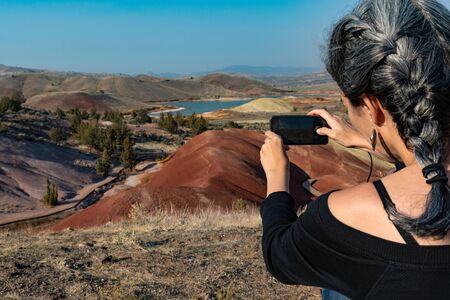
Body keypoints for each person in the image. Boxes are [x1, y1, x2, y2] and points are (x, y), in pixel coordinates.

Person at [259, 0, 450, 299]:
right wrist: (370, 143)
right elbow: (428, 170)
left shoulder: (341, 218)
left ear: (373, 106)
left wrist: (276, 178)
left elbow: (278, 254)